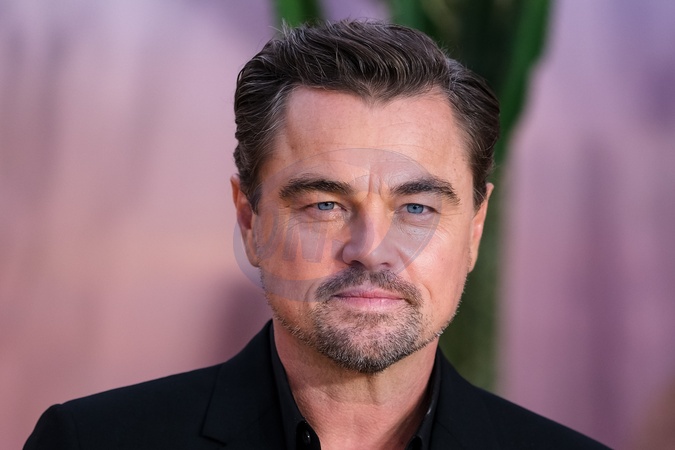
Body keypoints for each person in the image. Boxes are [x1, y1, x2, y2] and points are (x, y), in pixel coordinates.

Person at [24, 20, 608, 449]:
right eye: (325, 205)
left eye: (417, 208)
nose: (370, 249)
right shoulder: (89, 443)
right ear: (250, 222)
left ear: (475, 232)